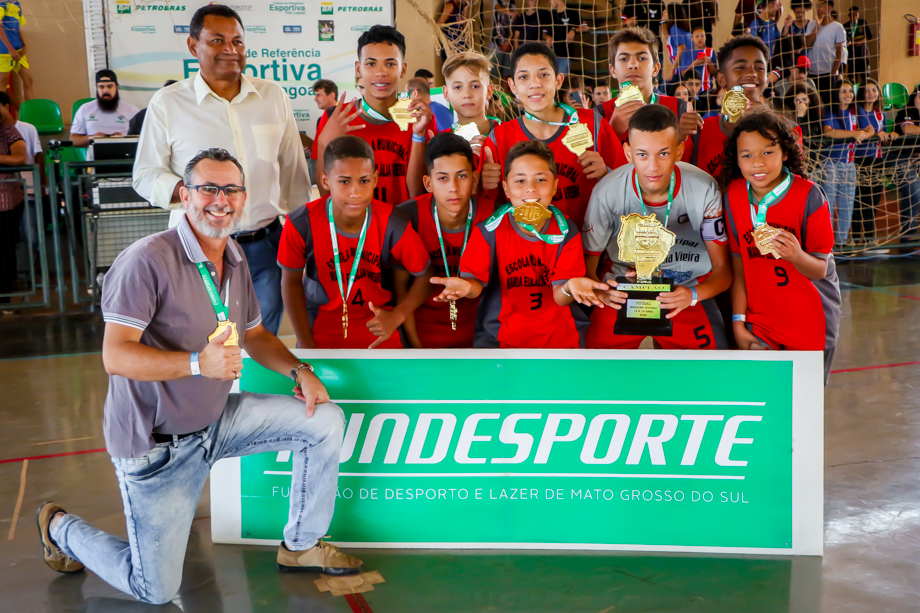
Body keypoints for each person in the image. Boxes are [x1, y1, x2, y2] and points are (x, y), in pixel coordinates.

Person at [36, 148, 362, 605]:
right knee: (157, 591)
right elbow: (115, 356)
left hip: (214, 423)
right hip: (157, 447)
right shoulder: (146, 260)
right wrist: (197, 364)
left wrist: (300, 371)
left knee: (324, 420)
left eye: (231, 189)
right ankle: (60, 528)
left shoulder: (232, 255)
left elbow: (255, 334)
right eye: (208, 188)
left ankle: (301, 545)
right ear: (184, 195)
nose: (220, 200)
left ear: (244, 197)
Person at [134, 6, 310, 336]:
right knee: (202, 342)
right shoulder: (168, 103)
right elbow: (145, 174)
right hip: (198, 249)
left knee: (261, 342)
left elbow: (294, 175)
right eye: (217, 40)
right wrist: (194, 194)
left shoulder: (273, 96)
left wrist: (304, 239)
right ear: (193, 46)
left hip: (266, 249)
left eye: (237, 41)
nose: (230, 50)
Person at [582, 104, 731, 350]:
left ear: (679, 150)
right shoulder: (607, 192)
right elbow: (588, 269)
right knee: (592, 373)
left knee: (712, 374)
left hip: (685, 291)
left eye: (663, 153)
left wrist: (692, 295)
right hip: (623, 293)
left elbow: (723, 271)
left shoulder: (704, 189)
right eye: (642, 154)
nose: (653, 166)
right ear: (628, 153)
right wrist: (602, 294)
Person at [433, 140, 604, 348]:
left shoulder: (566, 230)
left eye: (540, 180)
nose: (531, 189)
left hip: (560, 339)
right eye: (520, 181)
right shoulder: (488, 230)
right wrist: (465, 287)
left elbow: (560, 297)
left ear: (555, 187)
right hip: (500, 341)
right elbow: (475, 285)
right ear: (506, 188)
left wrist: (569, 287)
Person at [718, 111, 840, 383]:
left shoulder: (809, 195)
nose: (757, 163)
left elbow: (821, 270)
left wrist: (796, 256)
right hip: (761, 322)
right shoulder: (734, 194)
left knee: (804, 411)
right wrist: (738, 321)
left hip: (811, 319)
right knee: (765, 401)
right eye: (747, 155)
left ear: (785, 153)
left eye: (767, 152)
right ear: (736, 159)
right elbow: (738, 265)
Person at [278, 136, 432, 350]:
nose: (355, 191)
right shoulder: (300, 223)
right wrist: (306, 345)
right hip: (319, 331)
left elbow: (425, 274)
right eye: (344, 181)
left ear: (375, 179)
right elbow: (290, 282)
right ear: (325, 181)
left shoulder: (392, 221)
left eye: (364, 180)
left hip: (379, 330)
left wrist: (397, 316)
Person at [486, 42, 626, 228]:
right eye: (523, 77)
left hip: (592, 246)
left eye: (543, 75)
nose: (535, 83)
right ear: (512, 85)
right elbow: (489, 205)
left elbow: (627, 184)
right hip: (531, 251)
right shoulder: (499, 138)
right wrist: (483, 184)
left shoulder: (592, 123)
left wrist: (606, 173)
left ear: (558, 80)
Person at [313, 25, 433, 207]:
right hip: (354, 230)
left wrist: (419, 135)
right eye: (371, 63)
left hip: (403, 229)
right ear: (358, 69)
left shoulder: (419, 118)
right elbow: (325, 196)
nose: (380, 72)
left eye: (390, 63)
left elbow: (419, 195)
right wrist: (324, 144)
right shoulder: (335, 117)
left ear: (403, 69)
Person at [397, 134, 495, 348]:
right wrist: (416, 350)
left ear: (475, 179)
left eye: (461, 176)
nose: (453, 187)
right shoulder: (406, 218)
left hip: (484, 339)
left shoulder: (493, 216)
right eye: (442, 178)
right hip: (423, 339)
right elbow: (400, 293)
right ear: (428, 183)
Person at [597, 27, 697, 147]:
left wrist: (679, 137)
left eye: (642, 58)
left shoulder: (680, 110)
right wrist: (611, 131)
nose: (633, 64)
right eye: (624, 59)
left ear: (655, 68)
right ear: (612, 70)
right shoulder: (599, 115)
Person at [692, 35, 772, 178]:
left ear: (767, 80)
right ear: (722, 79)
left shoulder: (787, 130)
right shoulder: (701, 131)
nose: (752, 73)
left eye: (759, 68)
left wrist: (769, 123)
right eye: (740, 67)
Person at [821, 79, 872, 245]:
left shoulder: (856, 111)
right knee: (828, 204)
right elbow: (829, 132)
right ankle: (827, 243)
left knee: (846, 205)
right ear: (836, 93)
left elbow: (870, 128)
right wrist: (854, 133)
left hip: (849, 164)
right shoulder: (829, 110)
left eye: (850, 91)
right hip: (830, 163)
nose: (848, 94)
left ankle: (841, 242)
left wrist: (863, 134)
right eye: (843, 91)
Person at [853, 78, 892, 244]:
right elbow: (864, 131)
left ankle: (869, 237)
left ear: (878, 93)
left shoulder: (880, 114)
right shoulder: (856, 110)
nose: (870, 94)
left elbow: (882, 136)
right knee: (859, 198)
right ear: (861, 93)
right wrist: (878, 134)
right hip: (859, 159)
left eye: (873, 90)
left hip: (876, 159)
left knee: (874, 198)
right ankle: (855, 237)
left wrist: (890, 136)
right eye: (867, 90)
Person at [0, 91, 25, 313]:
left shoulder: (8, 130)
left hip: (5, 201)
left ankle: (5, 300)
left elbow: (20, 156)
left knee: (5, 250)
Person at [70, 70, 139, 150]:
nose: (105, 91)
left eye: (110, 86)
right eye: (101, 87)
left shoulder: (132, 110)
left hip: (124, 158)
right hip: (94, 161)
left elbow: (143, 138)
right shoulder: (85, 109)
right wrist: (92, 138)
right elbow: (74, 140)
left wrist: (123, 139)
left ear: (117, 87)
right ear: (97, 88)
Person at [803, 0, 845, 105]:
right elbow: (808, 44)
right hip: (812, 74)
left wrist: (833, 74)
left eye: (821, 5)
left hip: (827, 74)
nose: (819, 8)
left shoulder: (837, 27)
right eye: (817, 6)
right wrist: (817, 25)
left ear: (830, 7)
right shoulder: (811, 24)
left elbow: (840, 53)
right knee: (813, 105)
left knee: (827, 105)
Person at [894, 85, 920, 239]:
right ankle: (908, 235)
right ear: (914, 96)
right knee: (914, 189)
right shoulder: (906, 111)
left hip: (917, 159)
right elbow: (907, 130)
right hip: (900, 158)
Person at [0, 0, 32, 108]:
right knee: (3, 87)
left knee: (28, 81)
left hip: (18, 50)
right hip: (4, 52)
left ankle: (30, 116)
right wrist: (10, 49)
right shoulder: (2, 4)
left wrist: (24, 44)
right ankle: (5, 120)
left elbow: (17, 27)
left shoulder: (16, 4)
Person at [546, 0, 587, 77]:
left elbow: (585, 27)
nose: (549, 2)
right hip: (550, 54)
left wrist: (574, 30)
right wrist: (547, 37)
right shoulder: (551, 14)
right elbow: (544, 32)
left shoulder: (573, 13)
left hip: (565, 55)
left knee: (560, 81)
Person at [679, 27, 718, 91]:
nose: (700, 39)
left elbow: (715, 74)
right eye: (697, 36)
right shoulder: (686, 53)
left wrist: (709, 62)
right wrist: (693, 65)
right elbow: (683, 74)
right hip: (690, 89)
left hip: (706, 89)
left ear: (705, 38)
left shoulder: (710, 52)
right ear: (692, 39)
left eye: (702, 36)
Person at [843, 6, 872, 86]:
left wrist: (861, 41)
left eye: (857, 15)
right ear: (849, 15)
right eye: (853, 15)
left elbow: (870, 36)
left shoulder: (863, 23)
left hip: (863, 54)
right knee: (852, 78)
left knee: (866, 77)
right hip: (852, 55)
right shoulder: (845, 26)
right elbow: (844, 40)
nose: (855, 17)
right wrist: (850, 43)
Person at [490, 0, 517, 79]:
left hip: (508, 43)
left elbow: (514, 25)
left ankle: (504, 91)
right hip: (496, 41)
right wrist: (511, 13)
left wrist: (508, 40)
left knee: (506, 72)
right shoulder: (496, 1)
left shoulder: (512, 4)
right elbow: (498, 8)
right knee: (493, 69)